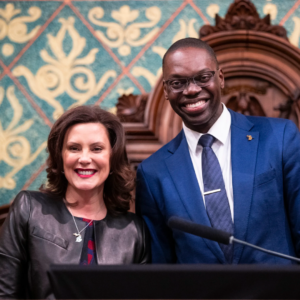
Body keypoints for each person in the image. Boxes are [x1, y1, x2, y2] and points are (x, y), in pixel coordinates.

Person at [136, 38, 300, 264]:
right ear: (166, 90)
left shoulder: (279, 137)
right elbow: (162, 269)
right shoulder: (153, 173)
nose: (191, 90)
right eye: (177, 83)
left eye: (203, 78)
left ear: (220, 78)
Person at [0, 106, 150, 299]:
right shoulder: (29, 208)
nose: (84, 158)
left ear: (112, 158)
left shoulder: (134, 231)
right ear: (60, 156)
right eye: (74, 148)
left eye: (97, 149)